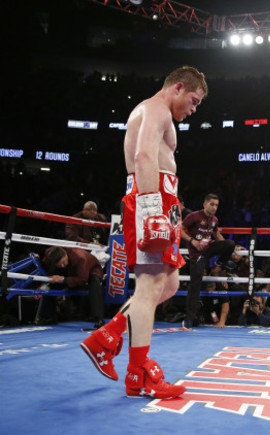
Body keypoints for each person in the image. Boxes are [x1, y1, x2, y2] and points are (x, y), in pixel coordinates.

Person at [81, 66, 208, 399]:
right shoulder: (155, 108)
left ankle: (106, 337)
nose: (193, 110)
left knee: (168, 284)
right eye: (193, 101)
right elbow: (143, 155)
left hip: (161, 198)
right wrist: (153, 211)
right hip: (151, 197)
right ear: (178, 87)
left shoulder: (159, 112)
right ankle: (138, 372)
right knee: (151, 286)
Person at [180, 193, 236, 328]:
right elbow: (180, 230)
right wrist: (192, 241)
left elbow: (216, 234)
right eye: (212, 204)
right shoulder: (193, 216)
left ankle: (221, 262)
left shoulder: (214, 220)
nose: (214, 207)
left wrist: (228, 251)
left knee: (230, 244)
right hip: (196, 253)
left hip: (208, 248)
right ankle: (189, 317)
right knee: (196, 283)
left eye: (216, 205)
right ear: (204, 204)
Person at [38, 246, 105, 328]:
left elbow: (82, 279)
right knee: (50, 284)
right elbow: (45, 259)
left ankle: (99, 319)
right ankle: (49, 317)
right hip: (71, 270)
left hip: (91, 270)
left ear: (65, 254)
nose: (62, 265)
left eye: (63, 262)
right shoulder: (51, 253)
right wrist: (39, 258)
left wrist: (63, 279)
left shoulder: (80, 258)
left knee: (94, 281)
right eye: (59, 264)